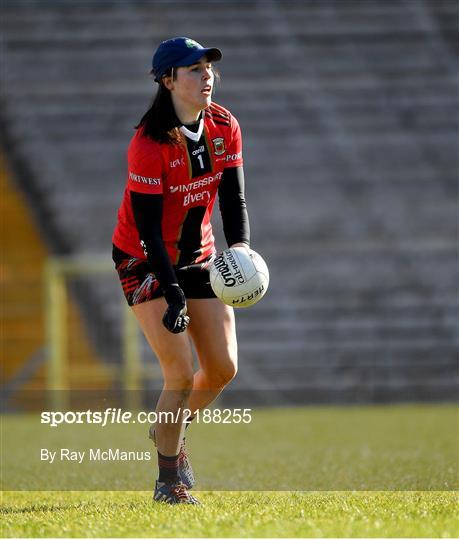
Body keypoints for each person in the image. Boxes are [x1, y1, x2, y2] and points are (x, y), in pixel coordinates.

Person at [112, 37, 250, 504]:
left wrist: (241, 250)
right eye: (193, 69)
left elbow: (233, 198)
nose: (206, 74)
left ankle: (169, 429)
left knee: (222, 368)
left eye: (209, 66)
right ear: (168, 80)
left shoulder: (224, 124)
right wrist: (171, 293)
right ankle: (168, 481)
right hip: (144, 258)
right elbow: (148, 227)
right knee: (179, 372)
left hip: (200, 255)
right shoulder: (148, 142)